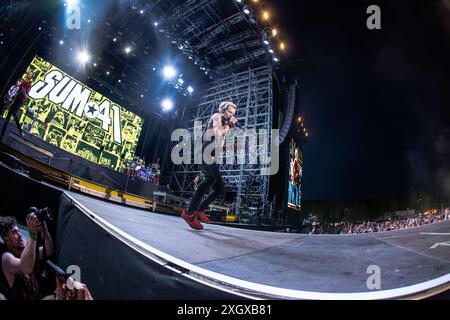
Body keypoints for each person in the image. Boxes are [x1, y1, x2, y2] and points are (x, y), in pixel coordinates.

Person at [182, 101, 238, 230]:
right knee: (210, 179)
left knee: (220, 189)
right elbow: (218, 132)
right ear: (223, 110)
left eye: (233, 114)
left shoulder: (224, 126)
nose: (231, 115)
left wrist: (231, 147)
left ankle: (200, 210)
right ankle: (189, 212)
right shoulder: (216, 116)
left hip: (213, 157)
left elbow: (219, 147)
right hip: (204, 152)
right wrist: (230, 124)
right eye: (229, 112)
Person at [0, 214, 54, 300]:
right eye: (14, 232)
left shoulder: (27, 252)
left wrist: (45, 233)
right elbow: (26, 267)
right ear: (6, 239)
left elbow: (48, 251)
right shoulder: (6, 258)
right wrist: (32, 234)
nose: (19, 235)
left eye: (18, 231)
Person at [0, 71, 33, 140]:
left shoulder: (29, 84)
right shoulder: (24, 82)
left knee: (13, 113)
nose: (28, 74)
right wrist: (12, 97)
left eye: (30, 74)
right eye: (28, 73)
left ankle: (20, 131)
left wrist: (24, 92)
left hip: (20, 100)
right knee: (8, 117)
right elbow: (17, 91)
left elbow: (26, 96)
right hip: (16, 99)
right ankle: (1, 136)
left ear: (31, 76)